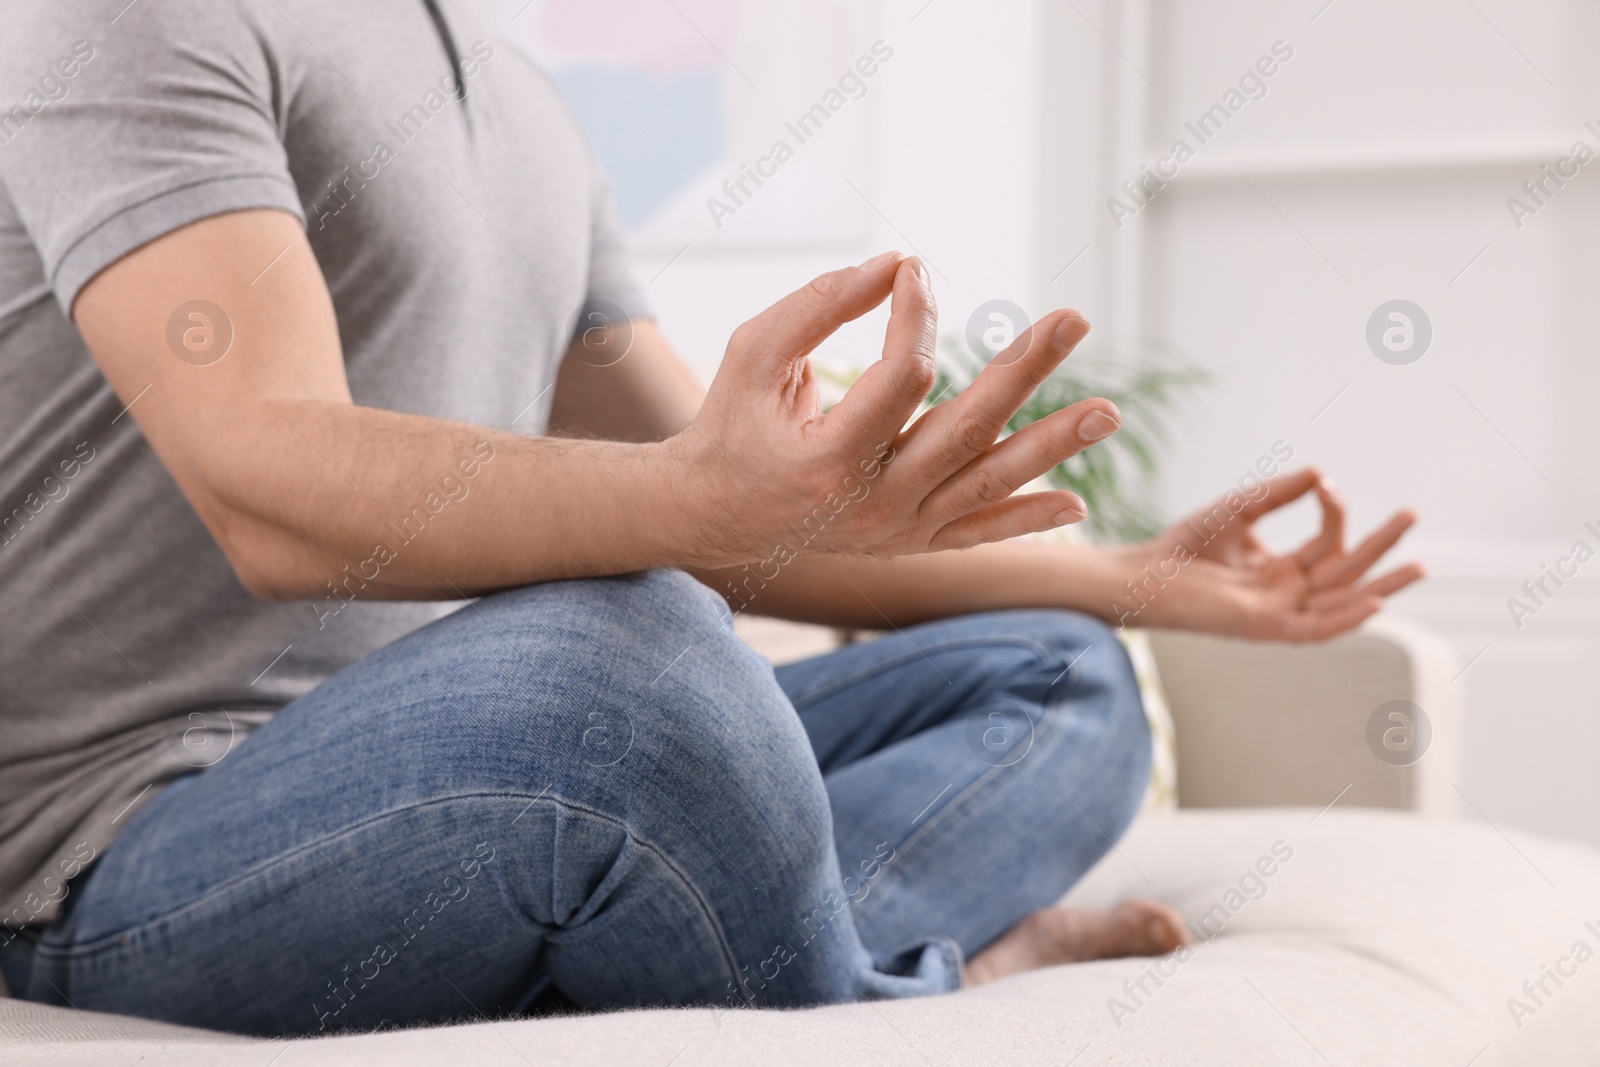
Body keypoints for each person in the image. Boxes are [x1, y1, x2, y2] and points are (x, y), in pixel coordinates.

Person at [0, 0, 1422, 1035]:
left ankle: (751, 950)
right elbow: (268, 486)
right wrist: (703, 504)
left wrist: (1133, 580)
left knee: (1060, 671)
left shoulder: (519, 97)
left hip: (463, 784)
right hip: (129, 851)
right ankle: (904, 990)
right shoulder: (130, 18)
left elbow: (726, 498)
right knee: (634, 669)